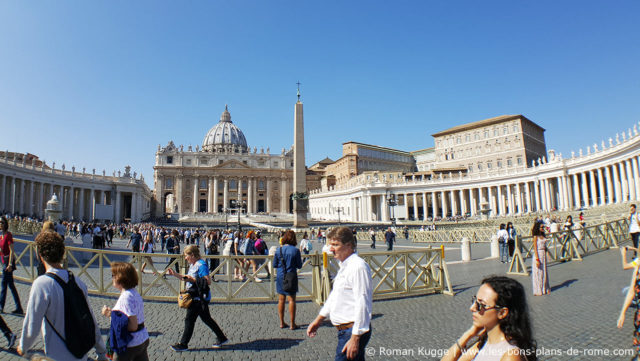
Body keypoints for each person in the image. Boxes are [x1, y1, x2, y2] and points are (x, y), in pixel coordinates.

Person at [18, 231, 108, 360]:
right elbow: (90, 320)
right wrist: (101, 351)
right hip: (80, 355)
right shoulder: (77, 282)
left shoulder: (42, 284)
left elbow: (32, 323)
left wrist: (23, 346)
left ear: (40, 255)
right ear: (62, 253)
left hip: (57, 355)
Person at [307, 227, 373, 361]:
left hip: (352, 330)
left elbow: (363, 303)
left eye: (335, 245)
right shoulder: (344, 266)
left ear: (349, 245)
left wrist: (355, 337)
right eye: (330, 244)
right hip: (346, 331)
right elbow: (335, 296)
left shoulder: (358, 267)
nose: (331, 249)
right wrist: (319, 319)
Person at [441, 276, 536, 361]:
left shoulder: (510, 355)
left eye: (481, 305)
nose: (472, 308)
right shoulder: (483, 344)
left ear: (502, 313)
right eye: (474, 300)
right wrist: (468, 334)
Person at [167, 245, 229, 351]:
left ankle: (183, 344)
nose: (185, 258)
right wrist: (176, 274)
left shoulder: (201, 265)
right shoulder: (193, 264)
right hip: (194, 295)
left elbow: (207, 281)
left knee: (189, 320)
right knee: (206, 319)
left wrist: (193, 280)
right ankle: (222, 338)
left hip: (197, 297)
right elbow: (188, 278)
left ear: (192, 255)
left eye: (186, 256)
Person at [101, 262, 149, 361]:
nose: (112, 278)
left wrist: (110, 315)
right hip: (142, 339)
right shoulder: (134, 293)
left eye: (113, 275)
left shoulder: (125, 297)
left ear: (120, 278)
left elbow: (133, 326)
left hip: (130, 344)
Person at [273, 230, 303, 330]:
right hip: (291, 276)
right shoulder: (295, 251)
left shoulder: (278, 250)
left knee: (281, 300)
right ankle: (292, 324)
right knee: (292, 300)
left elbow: (274, 265)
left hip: (281, 276)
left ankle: (281, 322)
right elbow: (299, 265)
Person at [0, 217, 23, 314]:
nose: (0, 224)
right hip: (4, 262)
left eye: (1, 222)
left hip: (8, 263)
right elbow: (1, 250)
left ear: (5, 224)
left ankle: (1, 307)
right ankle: (19, 308)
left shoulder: (8, 235)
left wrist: (10, 264)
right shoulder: (1, 236)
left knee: (3, 284)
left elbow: (12, 251)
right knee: (11, 286)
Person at [531, 221, 550, 296]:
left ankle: (544, 288)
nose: (543, 228)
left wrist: (548, 254)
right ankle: (538, 289)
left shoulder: (543, 235)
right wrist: (537, 259)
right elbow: (535, 248)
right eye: (541, 227)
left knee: (544, 272)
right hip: (538, 254)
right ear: (538, 228)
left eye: (543, 227)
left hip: (543, 254)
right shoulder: (536, 236)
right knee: (538, 272)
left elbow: (545, 246)